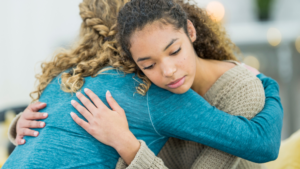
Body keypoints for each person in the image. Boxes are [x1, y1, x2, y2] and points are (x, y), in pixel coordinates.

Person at [4, 0, 282, 168]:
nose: (169, 72)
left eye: (173, 51)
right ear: (129, 48)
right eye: (148, 64)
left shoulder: (66, 76)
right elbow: (261, 143)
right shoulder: (146, 89)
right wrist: (269, 86)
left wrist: (16, 128)